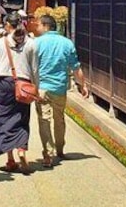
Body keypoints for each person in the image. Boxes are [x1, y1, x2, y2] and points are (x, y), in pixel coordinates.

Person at [34, 14, 89, 167]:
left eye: (38, 25)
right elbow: (76, 67)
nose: (36, 27)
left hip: (42, 87)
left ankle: (48, 153)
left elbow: (31, 66)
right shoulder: (67, 43)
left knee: (44, 120)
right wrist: (83, 85)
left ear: (45, 26)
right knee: (59, 119)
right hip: (60, 87)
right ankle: (60, 148)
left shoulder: (36, 43)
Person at [0, 13, 38, 174]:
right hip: (24, 84)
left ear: (8, 25)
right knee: (22, 117)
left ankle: (10, 159)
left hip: (4, 83)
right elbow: (35, 68)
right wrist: (36, 87)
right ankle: (22, 150)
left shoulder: (1, 43)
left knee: (3, 119)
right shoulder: (31, 43)